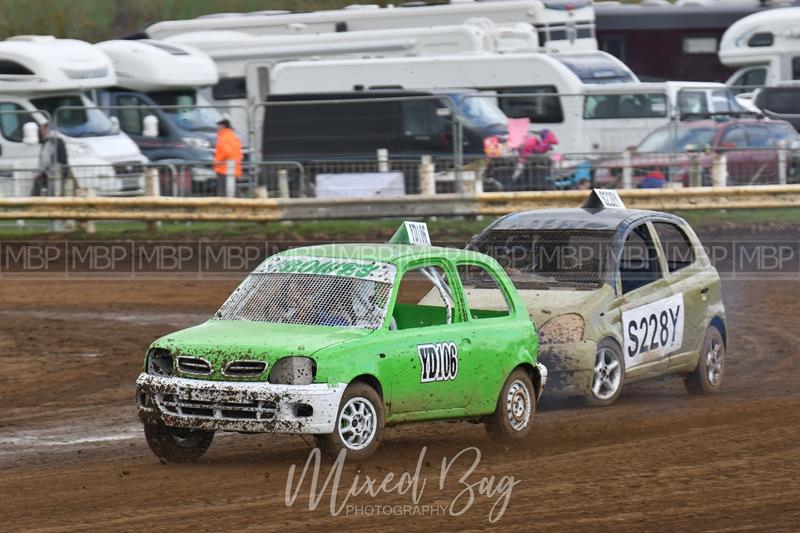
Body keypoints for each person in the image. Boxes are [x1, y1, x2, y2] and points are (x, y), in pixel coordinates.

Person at [32, 121, 68, 196]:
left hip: (53, 170)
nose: (40, 131)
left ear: (46, 129)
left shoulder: (49, 141)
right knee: (60, 192)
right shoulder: (59, 139)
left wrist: (39, 173)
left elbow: (45, 159)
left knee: (52, 193)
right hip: (62, 169)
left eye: (41, 129)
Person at [214, 118, 243, 196]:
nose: (217, 128)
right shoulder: (233, 136)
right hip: (233, 167)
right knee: (232, 190)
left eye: (218, 126)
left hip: (224, 168)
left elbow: (227, 152)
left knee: (223, 192)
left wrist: (218, 161)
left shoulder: (223, 137)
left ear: (223, 126)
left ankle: (225, 207)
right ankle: (242, 205)